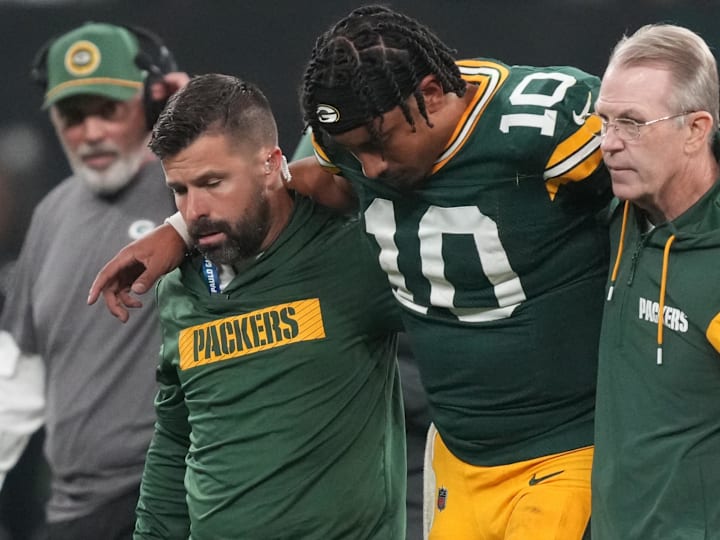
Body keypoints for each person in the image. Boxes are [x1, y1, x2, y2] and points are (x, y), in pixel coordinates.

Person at [88, 6, 612, 539]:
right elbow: (280, 181)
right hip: (461, 462)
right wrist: (179, 228)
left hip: (566, 447)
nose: (370, 170)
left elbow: (676, 189)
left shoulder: (547, 124)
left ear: (431, 93)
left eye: (379, 143)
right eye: (353, 151)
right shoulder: (346, 144)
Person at [132, 73, 405, 539]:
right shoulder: (179, 286)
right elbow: (177, 438)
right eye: (179, 190)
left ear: (271, 163)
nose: (194, 210)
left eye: (213, 182)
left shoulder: (355, 254)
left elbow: (414, 166)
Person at [0, 22, 184, 540]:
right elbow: (17, 372)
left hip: (173, 498)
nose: (93, 133)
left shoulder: (190, 186)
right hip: (75, 508)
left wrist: (194, 116)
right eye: (74, 117)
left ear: (148, 106)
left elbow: (266, 197)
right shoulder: (50, 214)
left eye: (110, 110)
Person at [590, 24, 720, 538]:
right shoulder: (620, 211)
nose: (609, 144)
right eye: (603, 120)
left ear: (695, 129)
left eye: (632, 123)